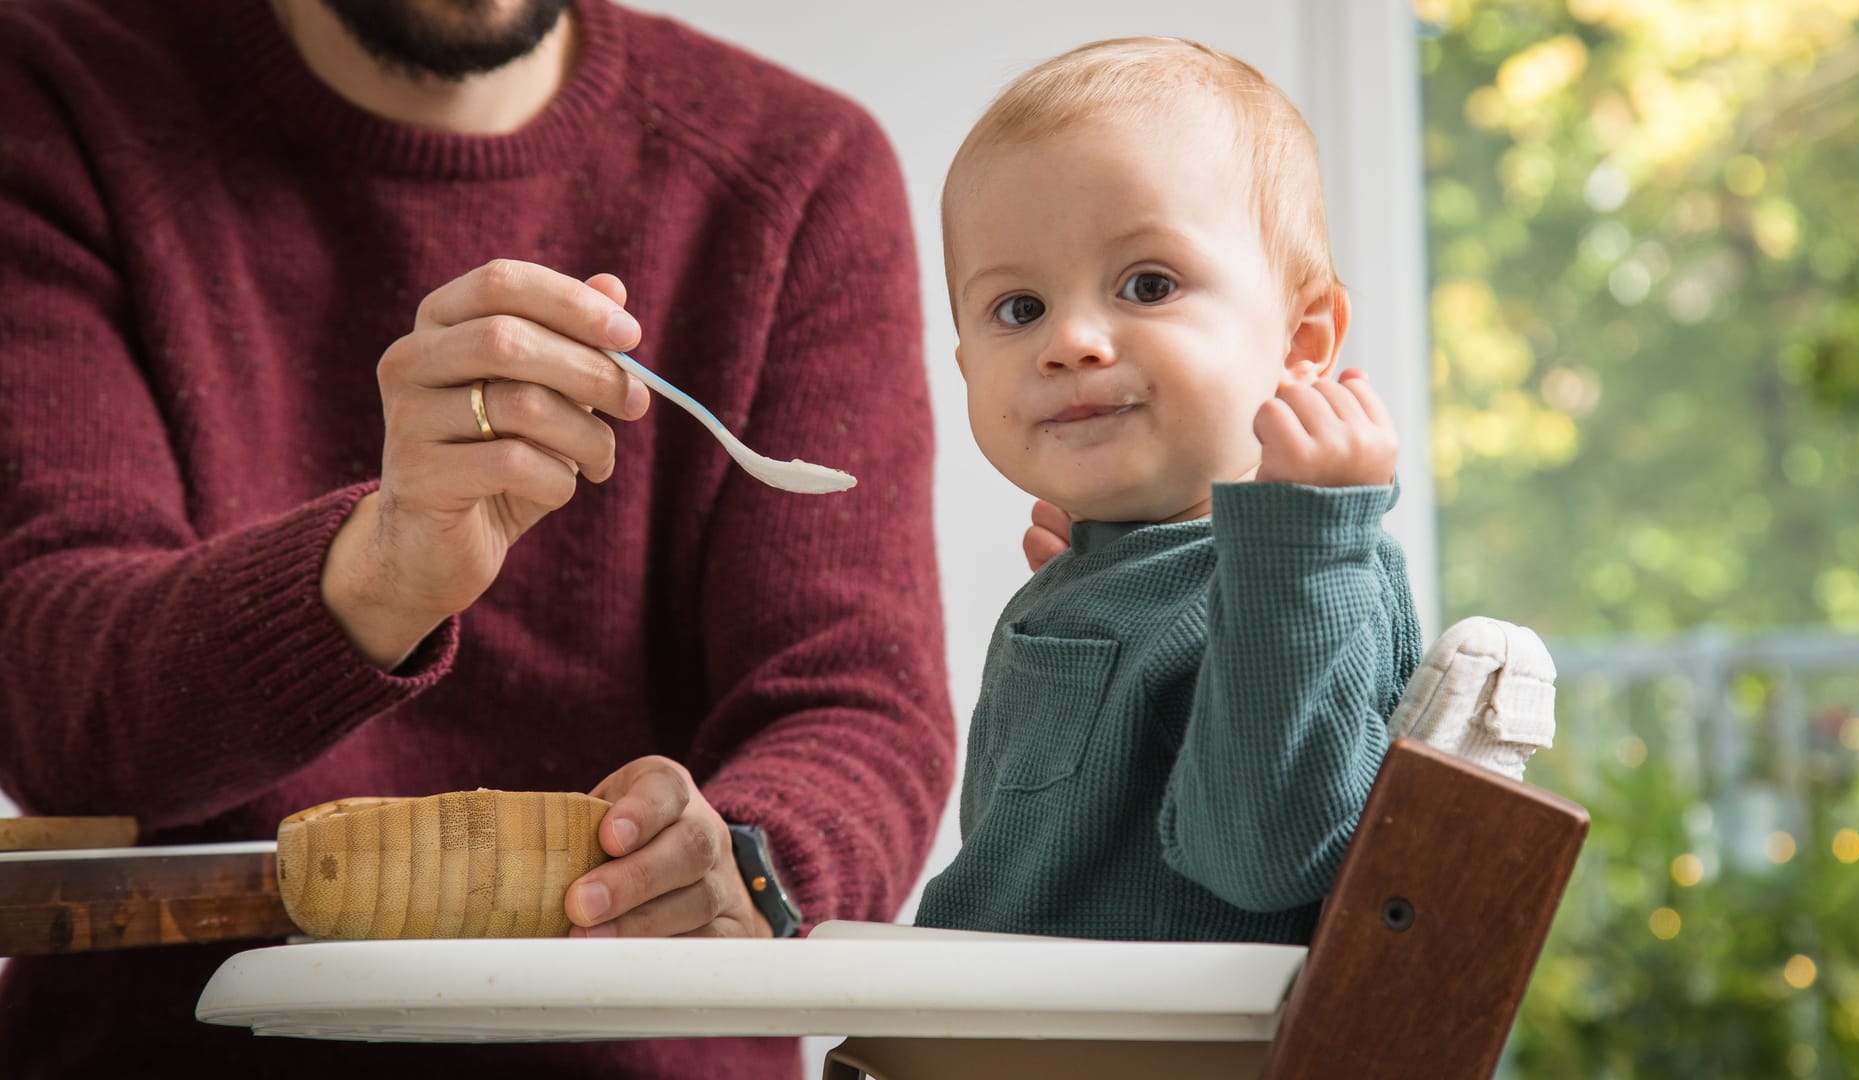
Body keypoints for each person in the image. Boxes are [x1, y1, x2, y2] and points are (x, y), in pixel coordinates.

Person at [0, 0, 952, 1075]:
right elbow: (51, 707)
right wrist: (381, 571)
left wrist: (735, 866)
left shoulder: (795, 167)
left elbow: (855, 704)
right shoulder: (53, 94)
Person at [913, 38, 1423, 944]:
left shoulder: (1313, 575)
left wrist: (1304, 545)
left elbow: (1266, 857)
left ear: (1302, 342)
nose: (1069, 340)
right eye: (1018, 308)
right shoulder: (1102, 571)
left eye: (1148, 285)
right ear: (961, 362)